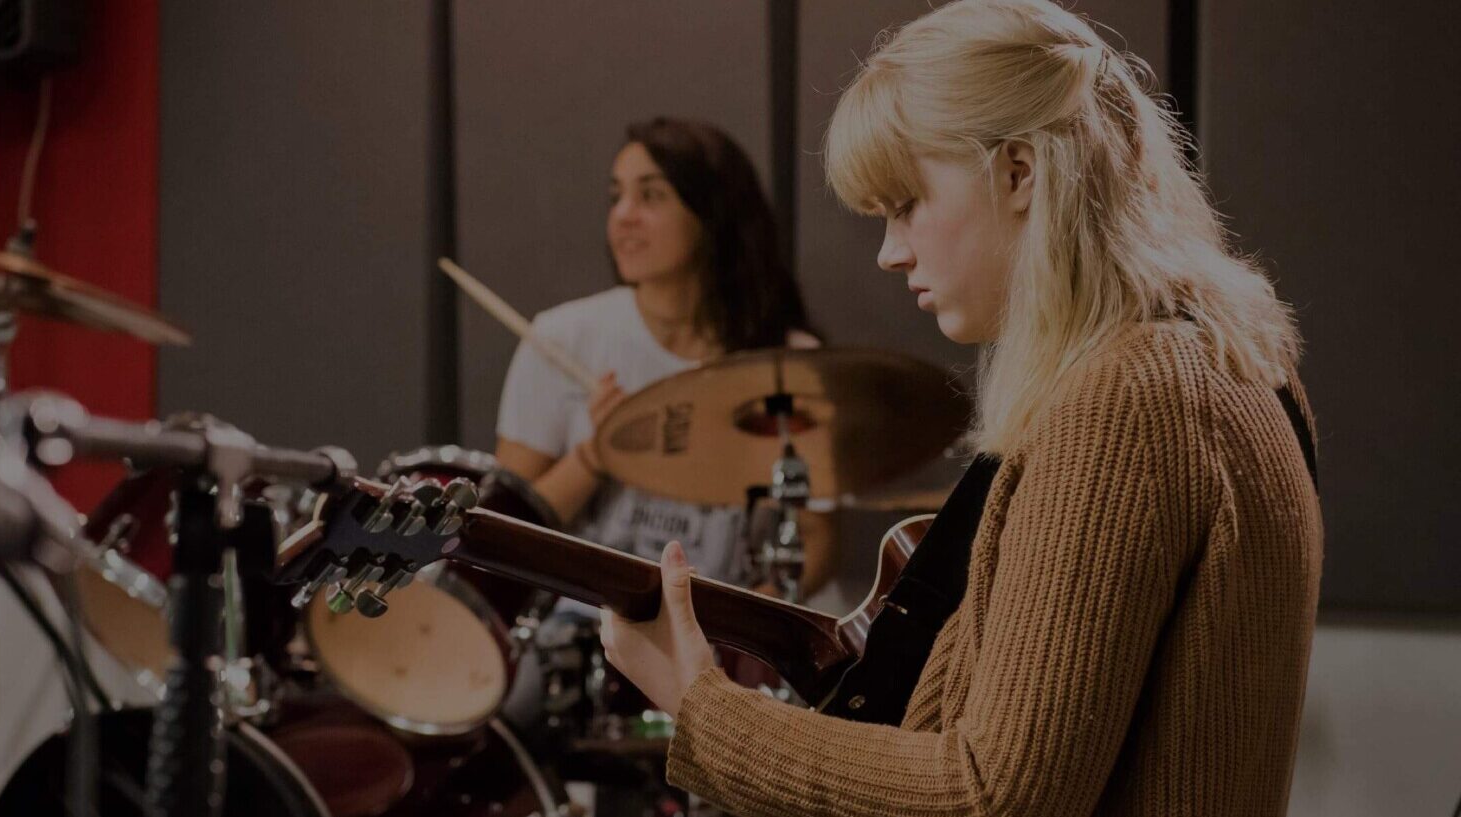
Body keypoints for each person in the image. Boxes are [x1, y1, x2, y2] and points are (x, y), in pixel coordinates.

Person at [598, 1, 1324, 815]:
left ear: (1019, 171)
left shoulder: (1128, 397)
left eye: (907, 202)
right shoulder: (1235, 359)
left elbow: (993, 797)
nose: (890, 249)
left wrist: (702, 706)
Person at [494, 116, 833, 596]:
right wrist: (597, 453)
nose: (622, 215)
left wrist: (753, 631)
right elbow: (505, 529)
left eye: (650, 195)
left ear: (712, 215)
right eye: (617, 196)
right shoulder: (561, 337)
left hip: (721, 634)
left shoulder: (789, 363)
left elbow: (816, 538)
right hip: (585, 634)